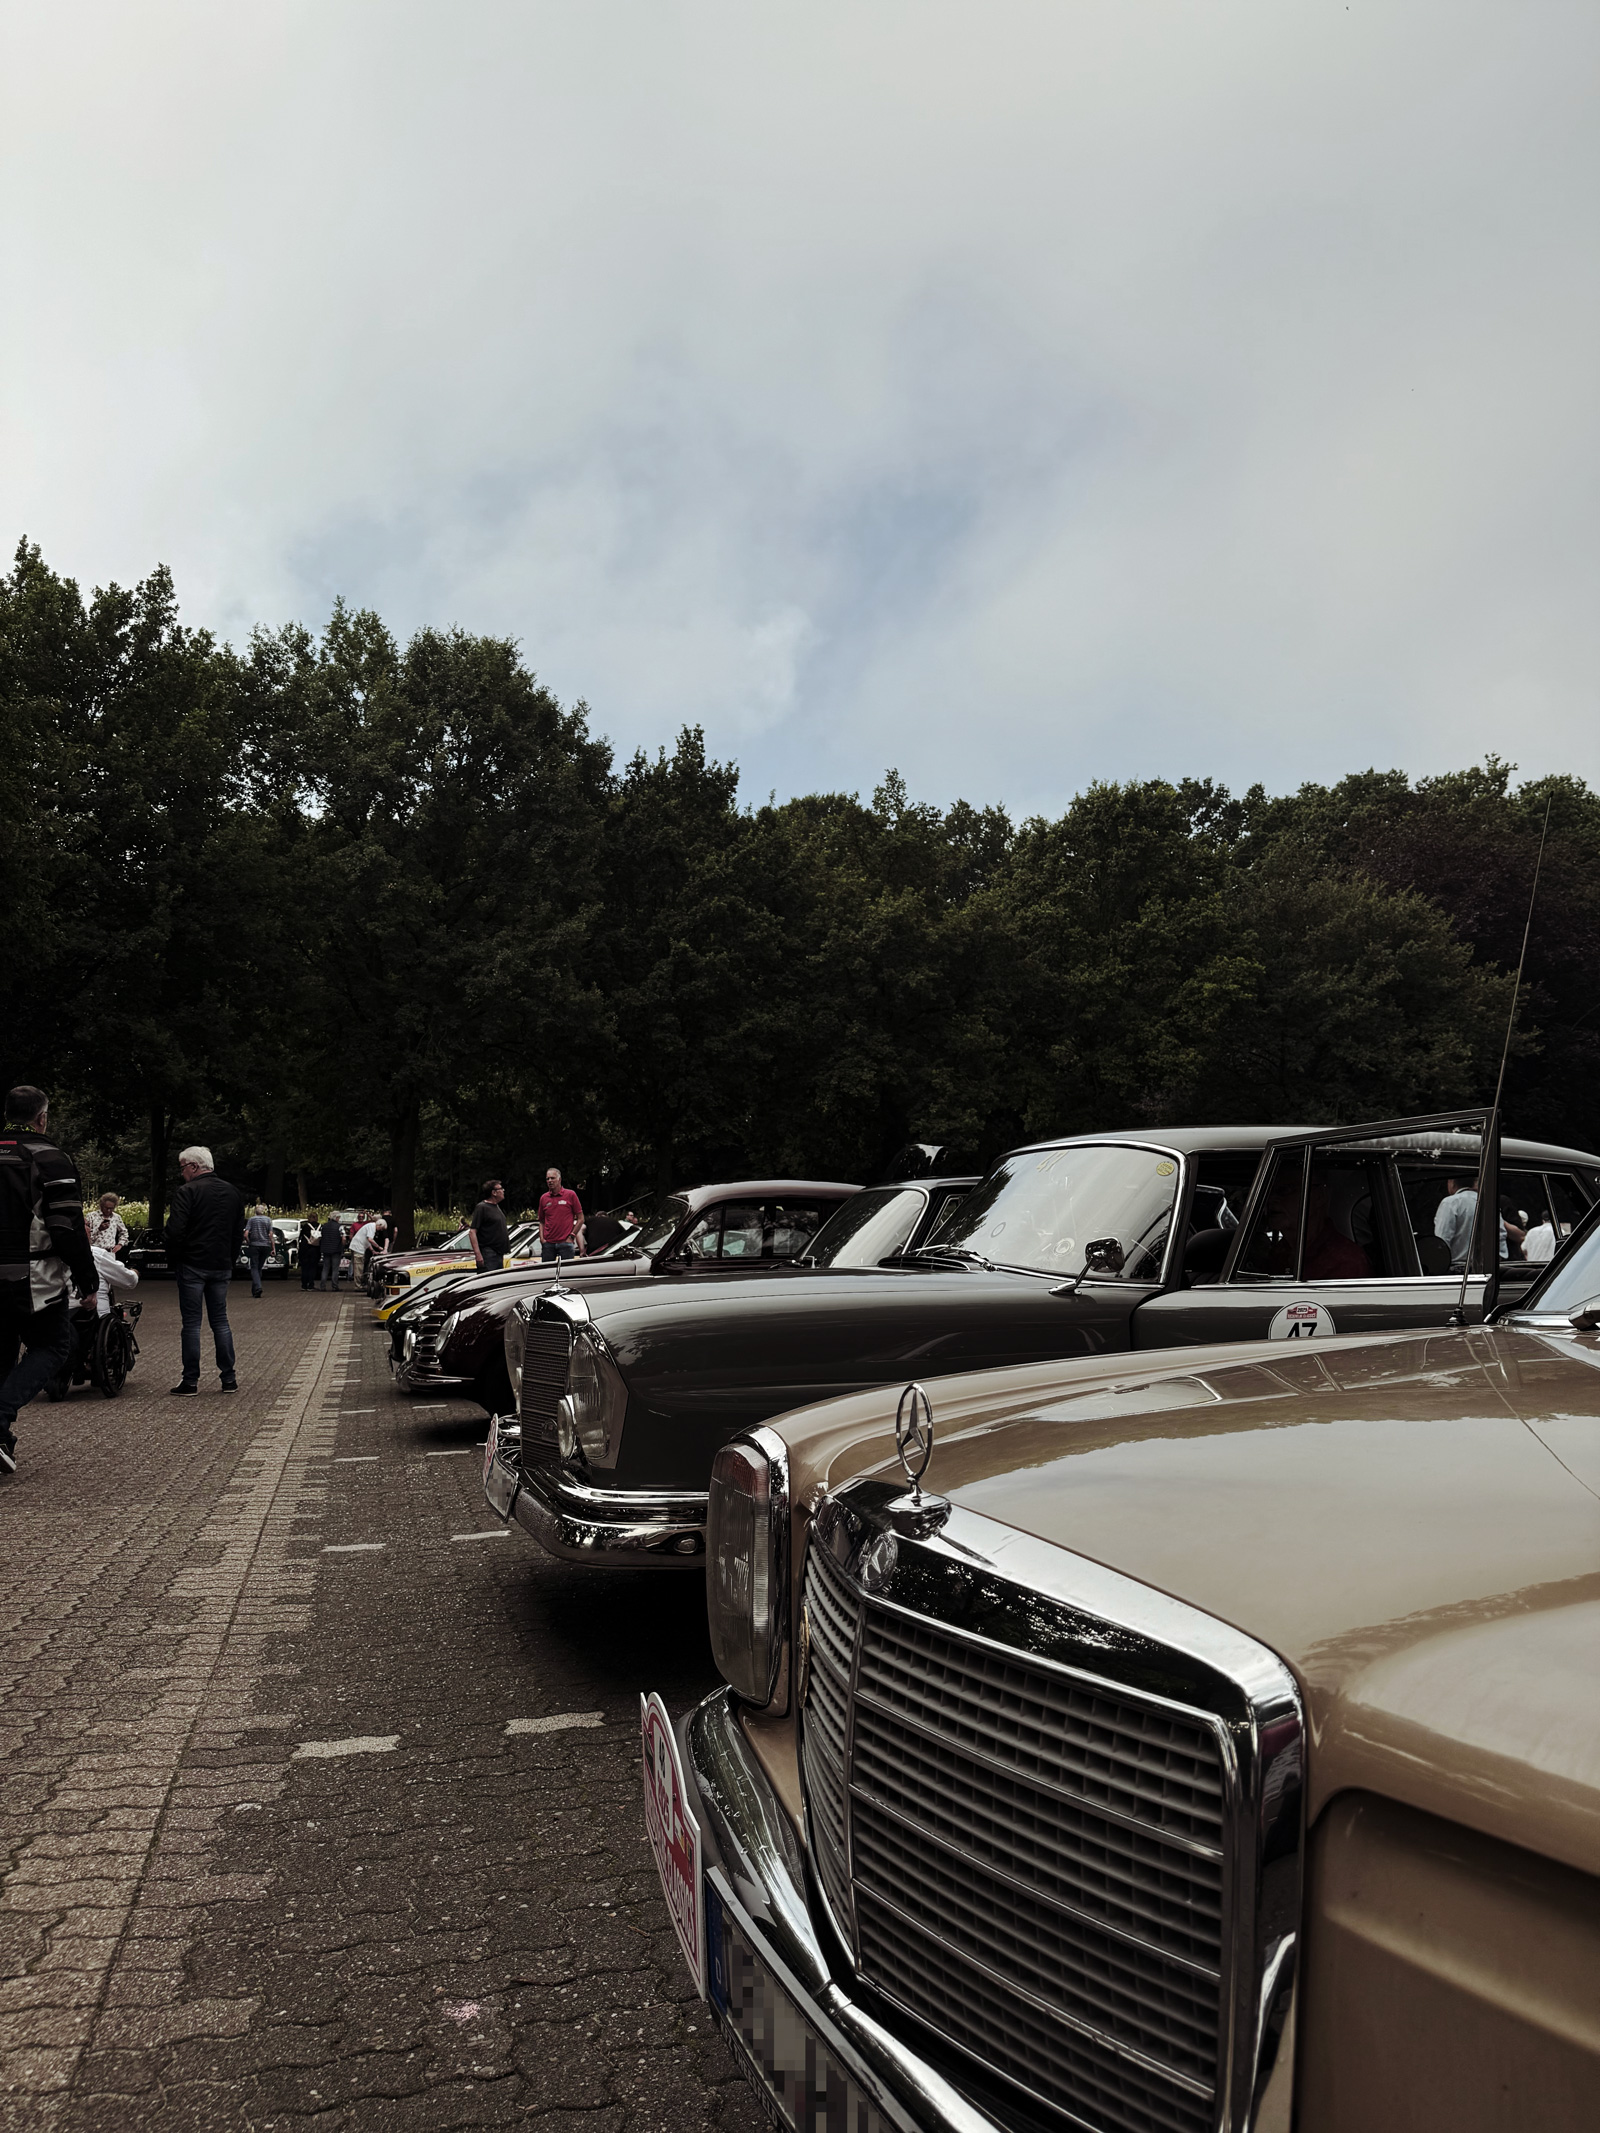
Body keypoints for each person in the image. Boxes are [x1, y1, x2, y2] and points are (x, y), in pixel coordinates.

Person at [0, 1086, 99, 1475]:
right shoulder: (50, 1157)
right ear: (41, 1118)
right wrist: (87, 1277)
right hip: (30, 1276)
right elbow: (66, 1226)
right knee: (55, 1345)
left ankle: (1, 1438)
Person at [165, 1144, 245, 1396]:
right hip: (221, 1265)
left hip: (192, 1265)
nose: (182, 1174)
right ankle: (229, 1378)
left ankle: (190, 1381)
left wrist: (174, 1258)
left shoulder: (187, 1192)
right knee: (220, 1321)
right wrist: (229, 1259)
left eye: (182, 1168)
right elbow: (237, 1232)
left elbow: (176, 1230)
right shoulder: (233, 1192)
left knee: (191, 1324)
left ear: (193, 1166)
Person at [1433, 1175, 1509, 1274]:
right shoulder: (1488, 1203)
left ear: (1451, 1182)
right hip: (1487, 1271)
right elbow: (1500, 1238)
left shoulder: (1450, 1203)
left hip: (1456, 1271)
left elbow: (1442, 1241)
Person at [537, 1166, 585, 1262]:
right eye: (547, 1179)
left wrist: (572, 1236)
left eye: (552, 1178)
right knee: (547, 1270)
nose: (550, 1181)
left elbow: (581, 1218)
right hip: (548, 1243)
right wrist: (542, 1239)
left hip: (566, 1242)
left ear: (559, 1179)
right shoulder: (544, 1198)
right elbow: (541, 1221)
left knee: (566, 1270)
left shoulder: (570, 1195)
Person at [469, 1179, 511, 1273]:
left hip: (499, 1253)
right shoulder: (482, 1207)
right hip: (489, 1254)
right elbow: (472, 1232)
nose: (503, 1190)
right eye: (501, 1189)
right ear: (494, 1193)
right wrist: (478, 1255)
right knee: (490, 1279)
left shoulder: (496, 1207)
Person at [244, 1202, 274, 1296]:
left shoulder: (251, 1220)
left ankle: (258, 1287)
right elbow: (271, 1235)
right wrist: (273, 1248)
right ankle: (255, 1291)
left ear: (255, 1212)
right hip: (265, 1245)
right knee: (259, 1267)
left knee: (254, 1267)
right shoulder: (268, 1220)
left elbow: (245, 1234)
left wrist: (248, 1242)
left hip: (254, 1245)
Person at [87, 1193, 130, 1257]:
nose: (108, 1210)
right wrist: (99, 1229)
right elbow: (87, 1236)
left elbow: (124, 1232)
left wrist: (120, 1244)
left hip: (109, 1252)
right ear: (101, 1206)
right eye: (106, 1208)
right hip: (95, 1252)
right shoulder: (91, 1216)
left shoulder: (116, 1217)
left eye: (111, 1208)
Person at [349, 1212, 381, 1288]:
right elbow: (369, 1239)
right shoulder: (369, 1226)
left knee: (360, 1266)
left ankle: (359, 1283)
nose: (361, 1218)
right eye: (360, 1216)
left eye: (362, 1216)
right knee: (358, 1266)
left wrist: (372, 1250)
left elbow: (367, 1241)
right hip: (358, 1247)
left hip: (360, 1247)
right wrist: (378, 1247)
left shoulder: (367, 1224)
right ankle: (357, 1284)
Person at [317, 1211, 345, 1291]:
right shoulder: (340, 1227)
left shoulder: (324, 1226)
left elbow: (321, 1236)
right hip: (336, 1250)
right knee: (335, 1268)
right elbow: (343, 1238)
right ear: (336, 1218)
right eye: (338, 1217)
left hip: (326, 1249)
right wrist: (342, 1246)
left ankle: (322, 1286)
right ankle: (334, 1286)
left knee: (325, 1268)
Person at [297, 1217, 320, 1289]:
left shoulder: (305, 1226)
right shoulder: (320, 1226)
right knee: (313, 1267)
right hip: (315, 1249)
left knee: (305, 1267)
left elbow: (301, 1237)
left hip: (305, 1249)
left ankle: (304, 1284)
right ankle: (311, 1284)